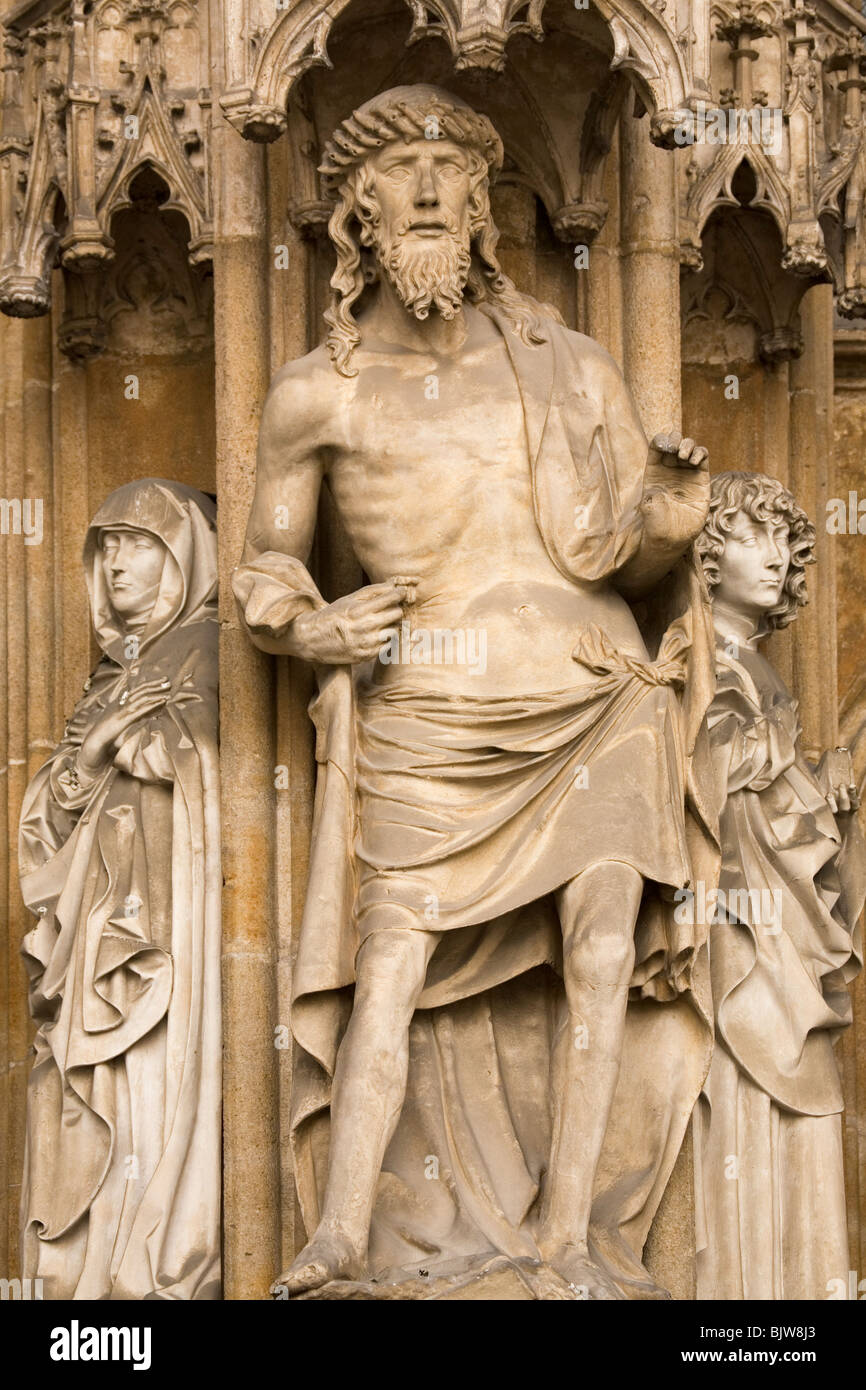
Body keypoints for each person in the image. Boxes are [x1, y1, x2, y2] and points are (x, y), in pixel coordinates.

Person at [234, 85, 718, 1299]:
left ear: (487, 206)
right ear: (357, 209)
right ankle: (339, 1236)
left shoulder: (570, 361)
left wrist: (668, 508)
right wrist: (312, 622)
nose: (434, 188)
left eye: (454, 168)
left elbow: (626, 553)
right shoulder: (315, 393)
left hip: (591, 691)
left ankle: (569, 1236)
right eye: (404, 168)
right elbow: (261, 568)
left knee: (601, 949)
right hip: (427, 709)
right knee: (387, 956)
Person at [19, 479, 221, 1299]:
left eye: (138, 544)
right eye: (104, 548)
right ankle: (93, 1285)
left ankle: (151, 1275)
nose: (115, 565)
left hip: (166, 927)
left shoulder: (208, 650)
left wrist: (154, 754)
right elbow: (44, 826)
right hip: (89, 933)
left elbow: (215, 772)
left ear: (184, 557)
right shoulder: (109, 677)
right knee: (85, 1096)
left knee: (150, 1089)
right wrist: (98, 751)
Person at [694, 470, 864, 1299]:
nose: (774, 557)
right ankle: (737, 1295)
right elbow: (702, 775)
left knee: (795, 1091)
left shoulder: (762, 673)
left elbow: (773, 794)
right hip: (731, 917)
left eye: (783, 542)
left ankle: (785, 1298)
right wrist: (796, 771)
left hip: (773, 919)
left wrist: (826, 780)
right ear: (705, 554)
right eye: (748, 535)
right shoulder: (692, 660)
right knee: (742, 1083)